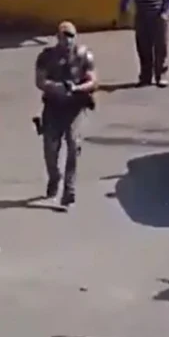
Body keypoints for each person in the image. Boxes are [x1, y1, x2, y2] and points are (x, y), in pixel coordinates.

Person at [33, 21, 98, 207]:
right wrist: (56, 88)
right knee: (50, 147)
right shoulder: (47, 56)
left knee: (73, 144)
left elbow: (94, 81)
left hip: (74, 107)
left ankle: (69, 189)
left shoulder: (84, 56)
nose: (67, 40)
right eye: (64, 36)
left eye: (70, 36)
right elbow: (39, 81)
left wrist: (77, 88)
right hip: (53, 107)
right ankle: (54, 177)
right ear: (57, 37)